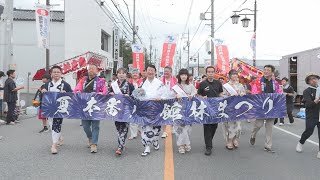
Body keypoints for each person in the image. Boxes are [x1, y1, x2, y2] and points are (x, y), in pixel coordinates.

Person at [74, 64, 107, 153]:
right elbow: (77, 90)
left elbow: (105, 92)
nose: (91, 70)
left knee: (95, 126)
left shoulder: (101, 81)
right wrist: (78, 92)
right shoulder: (83, 80)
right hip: (85, 106)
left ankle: (94, 144)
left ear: (97, 71)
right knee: (85, 126)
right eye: (90, 69)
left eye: (93, 69)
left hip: (96, 106)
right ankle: (90, 137)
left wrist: (100, 94)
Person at [41, 66, 72, 154]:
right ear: (51, 74)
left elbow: (72, 95)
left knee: (56, 124)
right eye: (54, 72)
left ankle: (54, 145)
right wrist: (43, 91)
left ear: (61, 73)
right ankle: (59, 136)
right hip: (50, 108)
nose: (56, 74)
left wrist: (66, 94)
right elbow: (43, 96)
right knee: (51, 124)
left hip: (60, 109)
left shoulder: (65, 85)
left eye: (58, 72)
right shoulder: (47, 84)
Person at [250, 65, 281, 153]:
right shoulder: (257, 82)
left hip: (271, 108)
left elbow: (279, 93)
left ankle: (268, 146)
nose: (266, 71)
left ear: (272, 72)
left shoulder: (275, 83)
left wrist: (281, 96)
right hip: (261, 107)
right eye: (265, 70)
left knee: (269, 127)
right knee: (258, 125)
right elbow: (254, 93)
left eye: (268, 70)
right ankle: (253, 135)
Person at [140, 65, 166, 156]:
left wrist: (161, 98)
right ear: (146, 72)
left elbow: (165, 95)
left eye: (152, 70)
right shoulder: (142, 83)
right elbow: (137, 95)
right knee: (145, 127)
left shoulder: (159, 83)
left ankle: (155, 140)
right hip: (145, 108)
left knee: (156, 128)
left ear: (155, 72)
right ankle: (147, 147)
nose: (150, 72)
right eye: (148, 70)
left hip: (156, 108)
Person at [197, 66, 223, 156]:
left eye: (212, 72)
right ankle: (208, 146)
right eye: (209, 72)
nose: (210, 73)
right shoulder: (202, 84)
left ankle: (209, 141)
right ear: (206, 73)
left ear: (214, 73)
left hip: (216, 108)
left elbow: (220, 93)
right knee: (207, 127)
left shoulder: (218, 83)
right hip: (206, 108)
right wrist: (202, 97)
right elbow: (198, 95)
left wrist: (223, 97)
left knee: (214, 126)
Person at [109, 68, 134, 155]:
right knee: (118, 126)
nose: (121, 75)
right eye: (119, 73)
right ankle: (122, 142)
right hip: (116, 109)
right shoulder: (113, 85)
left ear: (126, 74)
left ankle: (120, 146)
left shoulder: (130, 85)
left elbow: (134, 96)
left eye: (123, 73)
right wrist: (110, 94)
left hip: (126, 109)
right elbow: (109, 95)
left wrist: (129, 96)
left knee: (124, 127)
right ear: (117, 74)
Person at [296, 73, 320, 159]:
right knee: (309, 131)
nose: (314, 80)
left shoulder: (319, 89)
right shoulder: (307, 91)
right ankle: (301, 142)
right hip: (312, 114)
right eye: (311, 79)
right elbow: (308, 104)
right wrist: (316, 101)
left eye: (315, 78)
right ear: (308, 82)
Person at [173, 69, 197, 154]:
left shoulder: (190, 85)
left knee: (187, 128)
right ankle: (180, 145)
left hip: (188, 110)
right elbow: (171, 96)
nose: (183, 76)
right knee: (179, 128)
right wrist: (176, 95)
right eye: (182, 74)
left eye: (185, 75)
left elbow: (195, 93)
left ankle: (186, 143)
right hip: (179, 110)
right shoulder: (176, 86)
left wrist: (191, 95)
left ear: (187, 76)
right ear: (179, 76)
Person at [222, 70, 245, 150]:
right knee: (230, 125)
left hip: (238, 108)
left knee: (238, 126)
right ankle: (229, 140)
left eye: (236, 74)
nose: (235, 76)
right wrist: (230, 95)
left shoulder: (240, 85)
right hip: (229, 107)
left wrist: (242, 94)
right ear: (230, 76)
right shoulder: (225, 86)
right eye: (233, 74)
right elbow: (222, 96)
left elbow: (244, 94)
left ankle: (235, 138)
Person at [160, 66, 177, 138]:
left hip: (173, 99)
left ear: (171, 72)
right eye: (165, 71)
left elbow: (178, 89)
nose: (166, 72)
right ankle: (164, 131)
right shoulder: (160, 80)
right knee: (164, 116)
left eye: (167, 71)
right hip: (163, 100)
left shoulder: (175, 80)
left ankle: (172, 127)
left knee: (172, 115)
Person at [128, 68, 143, 140]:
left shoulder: (142, 82)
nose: (135, 74)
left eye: (136, 73)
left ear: (138, 74)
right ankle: (133, 134)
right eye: (133, 73)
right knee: (132, 118)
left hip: (140, 102)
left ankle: (140, 130)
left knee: (140, 117)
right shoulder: (128, 82)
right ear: (131, 74)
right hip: (131, 102)